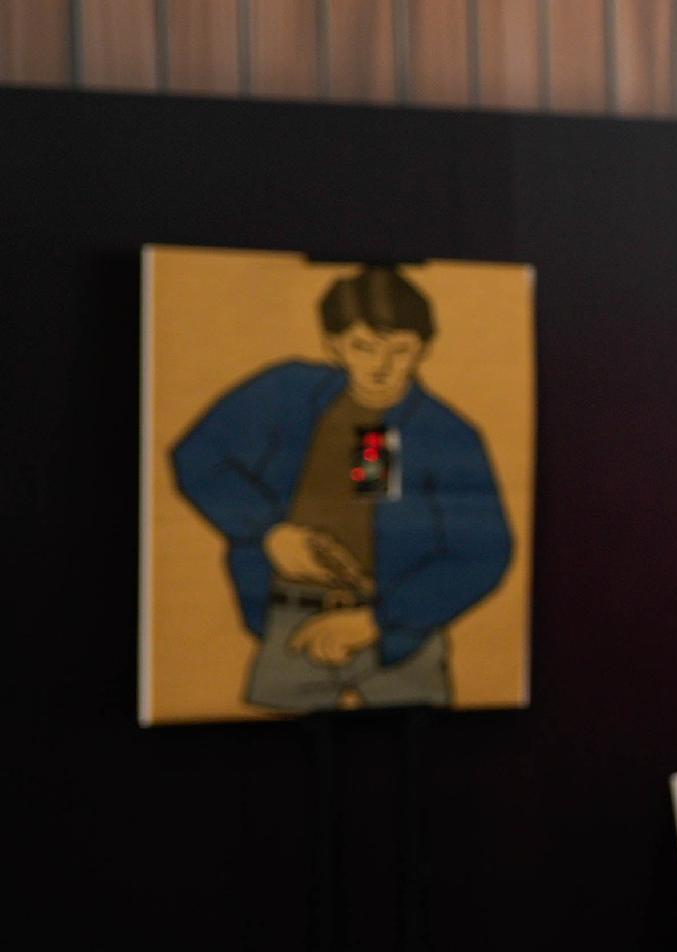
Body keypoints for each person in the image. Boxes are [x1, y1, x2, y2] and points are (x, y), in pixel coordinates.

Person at [169, 261, 514, 712]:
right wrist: (269, 531)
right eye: (363, 347)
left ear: (424, 348)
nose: (380, 366)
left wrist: (379, 621)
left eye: (399, 350)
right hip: (291, 624)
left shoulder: (448, 434)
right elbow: (197, 458)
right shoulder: (287, 391)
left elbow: (484, 553)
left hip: (400, 637)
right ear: (334, 345)